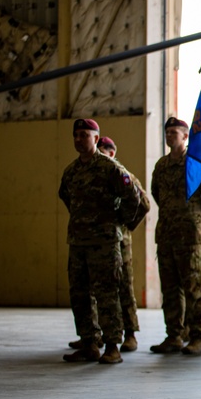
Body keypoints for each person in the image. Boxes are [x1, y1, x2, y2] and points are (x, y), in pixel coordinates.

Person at [58, 119, 141, 364]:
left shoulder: (110, 168)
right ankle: (89, 342)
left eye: (84, 135)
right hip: (78, 242)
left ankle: (112, 345)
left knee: (107, 294)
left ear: (96, 139)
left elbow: (133, 198)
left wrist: (116, 222)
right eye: (76, 135)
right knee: (80, 294)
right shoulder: (71, 171)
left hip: (105, 244)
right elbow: (66, 197)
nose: (78, 139)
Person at [150, 117, 201, 356]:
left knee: (193, 288)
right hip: (167, 235)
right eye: (167, 132)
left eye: (174, 132)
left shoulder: (197, 165)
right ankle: (174, 335)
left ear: (185, 136)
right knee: (170, 290)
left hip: (190, 236)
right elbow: (157, 195)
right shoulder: (161, 166)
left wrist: (197, 219)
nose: (170, 136)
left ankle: (197, 337)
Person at [94, 136, 150, 353]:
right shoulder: (94, 175)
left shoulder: (122, 174)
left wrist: (126, 225)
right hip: (97, 240)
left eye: (106, 151)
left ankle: (130, 333)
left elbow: (143, 203)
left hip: (119, 241)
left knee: (124, 286)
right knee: (99, 289)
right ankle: (98, 333)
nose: (103, 154)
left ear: (113, 153)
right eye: (100, 150)